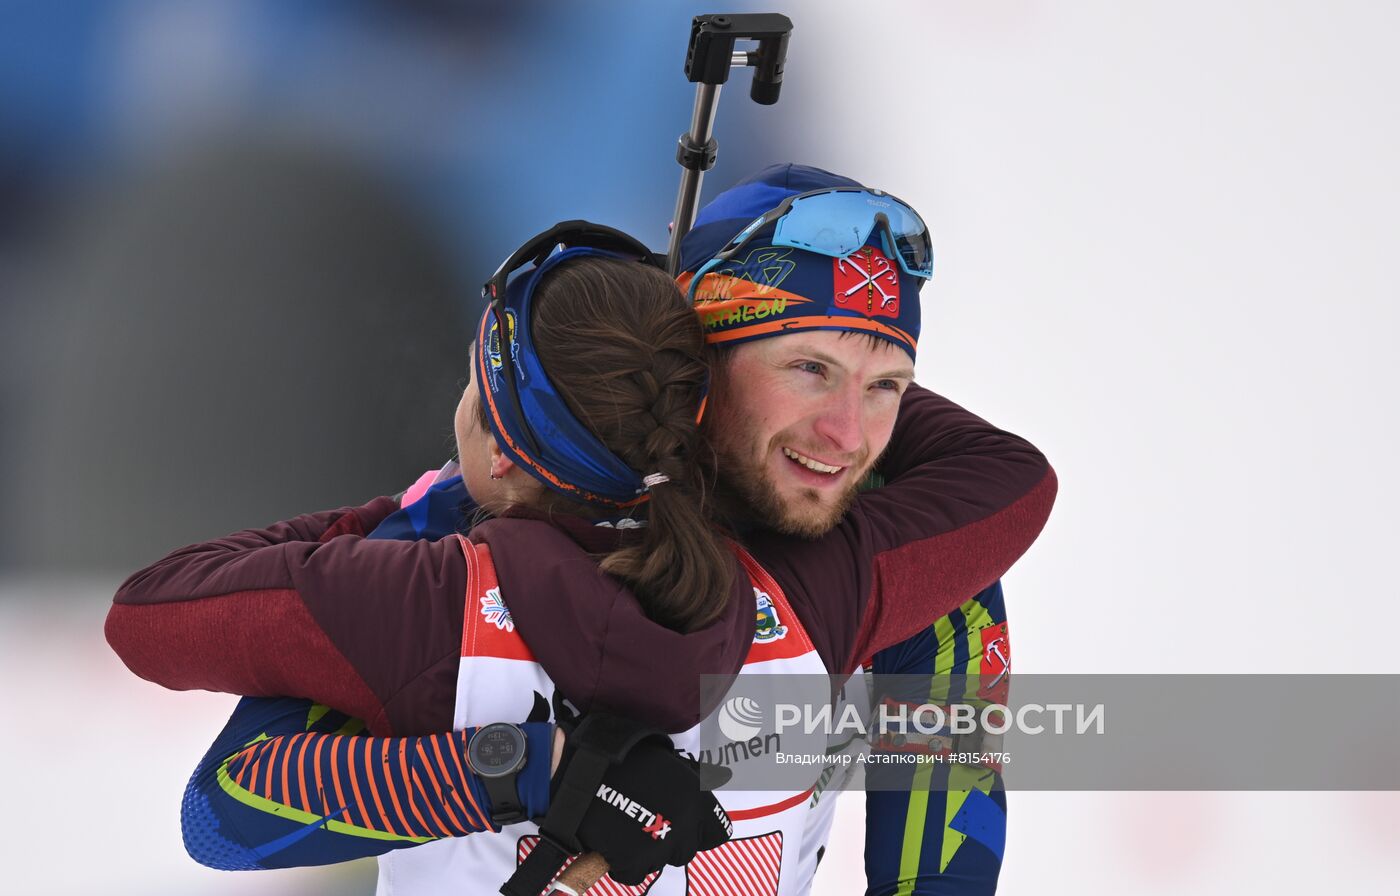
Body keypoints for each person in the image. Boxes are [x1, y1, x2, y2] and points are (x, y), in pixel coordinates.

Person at [107, 165, 1056, 894]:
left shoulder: (441, 565)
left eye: (885, 385)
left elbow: (225, 810)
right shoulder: (874, 575)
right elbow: (1006, 477)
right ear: (701, 371)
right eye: (807, 370)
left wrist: (519, 772)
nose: (850, 434)